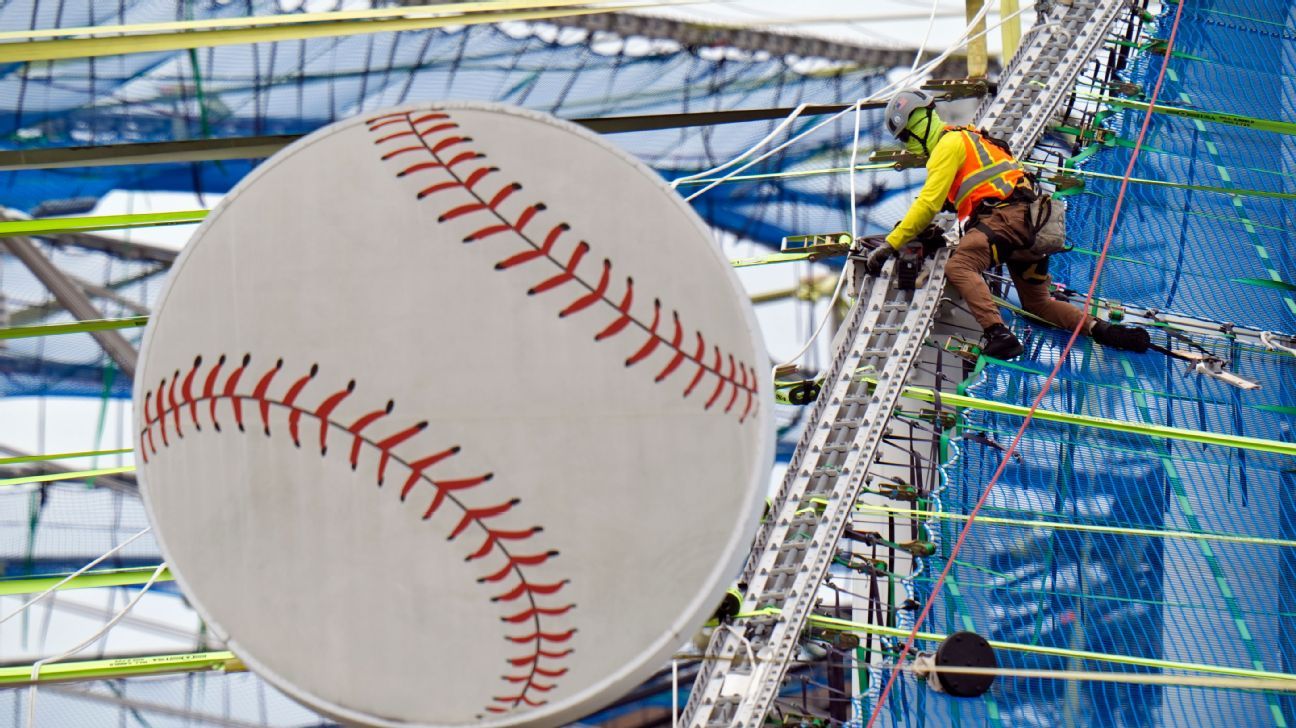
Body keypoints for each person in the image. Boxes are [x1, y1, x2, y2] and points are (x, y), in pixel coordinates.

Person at [865, 88, 1149, 360]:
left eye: (906, 138)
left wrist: (891, 244)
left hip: (1006, 221)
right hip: (1031, 226)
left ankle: (998, 334)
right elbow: (963, 195)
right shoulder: (972, 138)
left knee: (960, 266)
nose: (910, 146)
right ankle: (1103, 330)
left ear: (916, 126)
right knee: (1038, 304)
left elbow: (928, 204)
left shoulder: (946, 146)